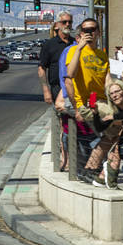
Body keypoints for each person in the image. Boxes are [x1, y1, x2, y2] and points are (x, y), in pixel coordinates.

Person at [65, 18, 111, 183]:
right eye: (85, 30)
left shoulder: (102, 55)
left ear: (99, 33)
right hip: (86, 104)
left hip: (102, 102)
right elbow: (70, 74)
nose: (89, 33)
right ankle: (96, 170)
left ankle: (94, 170)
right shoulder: (74, 51)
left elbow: (107, 82)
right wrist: (80, 48)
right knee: (115, 131)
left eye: (93, 30)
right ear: (81, 33)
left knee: (116, 134)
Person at [39, 14, 75, 170]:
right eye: (64, 22)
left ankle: (75, 156)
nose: (67, 24)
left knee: (76, 123)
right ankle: (65, 158)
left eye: (70, 22)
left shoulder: (75, 43)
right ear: (57, 25)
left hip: (74, 88)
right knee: (64, 123)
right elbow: (42, 68)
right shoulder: (50, 45)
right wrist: (46, 90)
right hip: (57, 88)